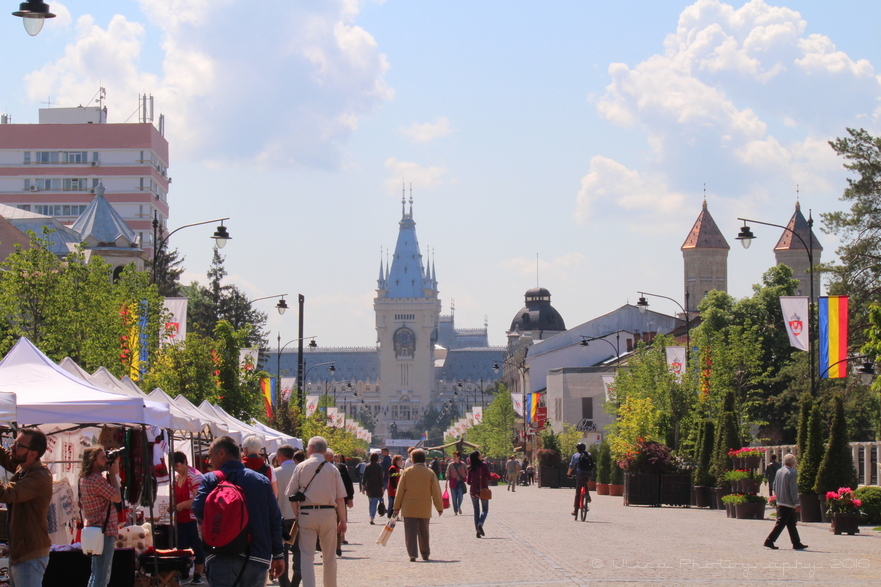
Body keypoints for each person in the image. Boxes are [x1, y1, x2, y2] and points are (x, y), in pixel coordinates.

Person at [193, 436, 285, 587]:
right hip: (257, 555)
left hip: (221, 555)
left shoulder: (211, 480)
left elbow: (198, 509)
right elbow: (274, 520)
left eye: (210, 455)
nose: (209, 461)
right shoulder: (261, 481)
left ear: (221, 453)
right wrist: (278, 555)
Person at [286, 437, 347, 587]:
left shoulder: (301, 467)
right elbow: (340, 498)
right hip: (328, 514)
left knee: (307, 556)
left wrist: (297, 514)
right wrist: (343, 520)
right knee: (329, 556)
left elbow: (291, 495)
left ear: (312, 448)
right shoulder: (332, 469)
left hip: (306, 513)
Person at [0, 429, 52, 587]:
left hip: (30, 555)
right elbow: (4, 457)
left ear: (33, 454)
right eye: (14, 443)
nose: (12, 447)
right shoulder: (24, 468)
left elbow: (6, 494)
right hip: (21, 552)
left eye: (18, 445)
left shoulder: (39, 477)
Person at [79, 447, 122, 587]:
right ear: (93, 461)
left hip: (94, 530)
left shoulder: (84, 478)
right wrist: (113, 474)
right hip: (105, 531)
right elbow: (117, 497)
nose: (106, 460)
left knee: (96, 573)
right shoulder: (96, 479)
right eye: (103, 458)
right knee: (102, 576)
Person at [393, 449, 443, 562]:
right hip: (424, 507)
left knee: (410, 532)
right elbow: (436, 492)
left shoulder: (406, 472)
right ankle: (425, 553)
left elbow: (400, 491)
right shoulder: (430, 473)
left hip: (409, 507)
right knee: (424, 531)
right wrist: (439, 507)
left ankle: (412, 554)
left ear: (413, 459)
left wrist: (396, 507)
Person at [171, 452, 205, 585]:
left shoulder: (195, 477)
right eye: (173, 466)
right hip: (180, 519)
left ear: (185, 462)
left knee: (197, 547)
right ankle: (184, 573)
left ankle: (198, 574)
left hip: (193, 520)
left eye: (177, 465)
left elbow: (198, 500)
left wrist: (182, 505)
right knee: (182, 548)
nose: (175, 469)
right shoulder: (176, 478)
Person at [764, 453, 808, 550]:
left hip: (780, 500)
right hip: (788, 502)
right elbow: (793, 490)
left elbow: (774, 485)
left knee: (791, 523)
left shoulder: (779, 471)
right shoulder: (792, 473)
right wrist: (797, 503)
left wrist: (778, 496)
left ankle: (796, 542)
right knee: (781, 523)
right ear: (793, 462)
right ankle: (769, 540)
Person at [273, 445, 300, 587]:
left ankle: (284, 582)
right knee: (298, 551)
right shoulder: (300, 470)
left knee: (281, 552)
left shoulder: (275, 472)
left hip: (280, 517)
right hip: (297, 517)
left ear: (281, 456)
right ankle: (297, 579)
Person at [329, 450, 354, 556]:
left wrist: (350, 498)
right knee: (328, 525)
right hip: (327, 500)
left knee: (339, 522)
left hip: (340, 499)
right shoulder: (321, 468)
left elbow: (348, 483)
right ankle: (328, 548)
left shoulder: (341, 467)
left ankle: (338, 547)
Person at [466, 450, 490, 539]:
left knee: (476, 510)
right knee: (485, 509)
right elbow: (489, 476)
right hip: (483, 489)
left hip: (473, 491)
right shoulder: (484, 465)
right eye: (480, 454)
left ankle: (477, 531)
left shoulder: (471, 467)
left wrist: (474, 483)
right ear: (477, 457)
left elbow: (468, 481)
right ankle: (480, 524)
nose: (482, 455)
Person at [567, 443, 594, 515]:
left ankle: (575, 510)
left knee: (578, 492)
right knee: (585, 482)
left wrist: (568, 474)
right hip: (589, 473)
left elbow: (571, 466)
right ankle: (587, 496)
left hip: (581, 474)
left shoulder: (575, 455)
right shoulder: (589, 454)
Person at [360, 452, 384, 525]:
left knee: (371, 503)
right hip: (377, 487)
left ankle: (371, 516)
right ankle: (372, 517)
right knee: (374, 503)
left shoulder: (367, 466)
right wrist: (382, 487)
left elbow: (365, 477)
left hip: (369, 487)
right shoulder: (379, 467)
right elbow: (380, 478)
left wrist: (363, 487)